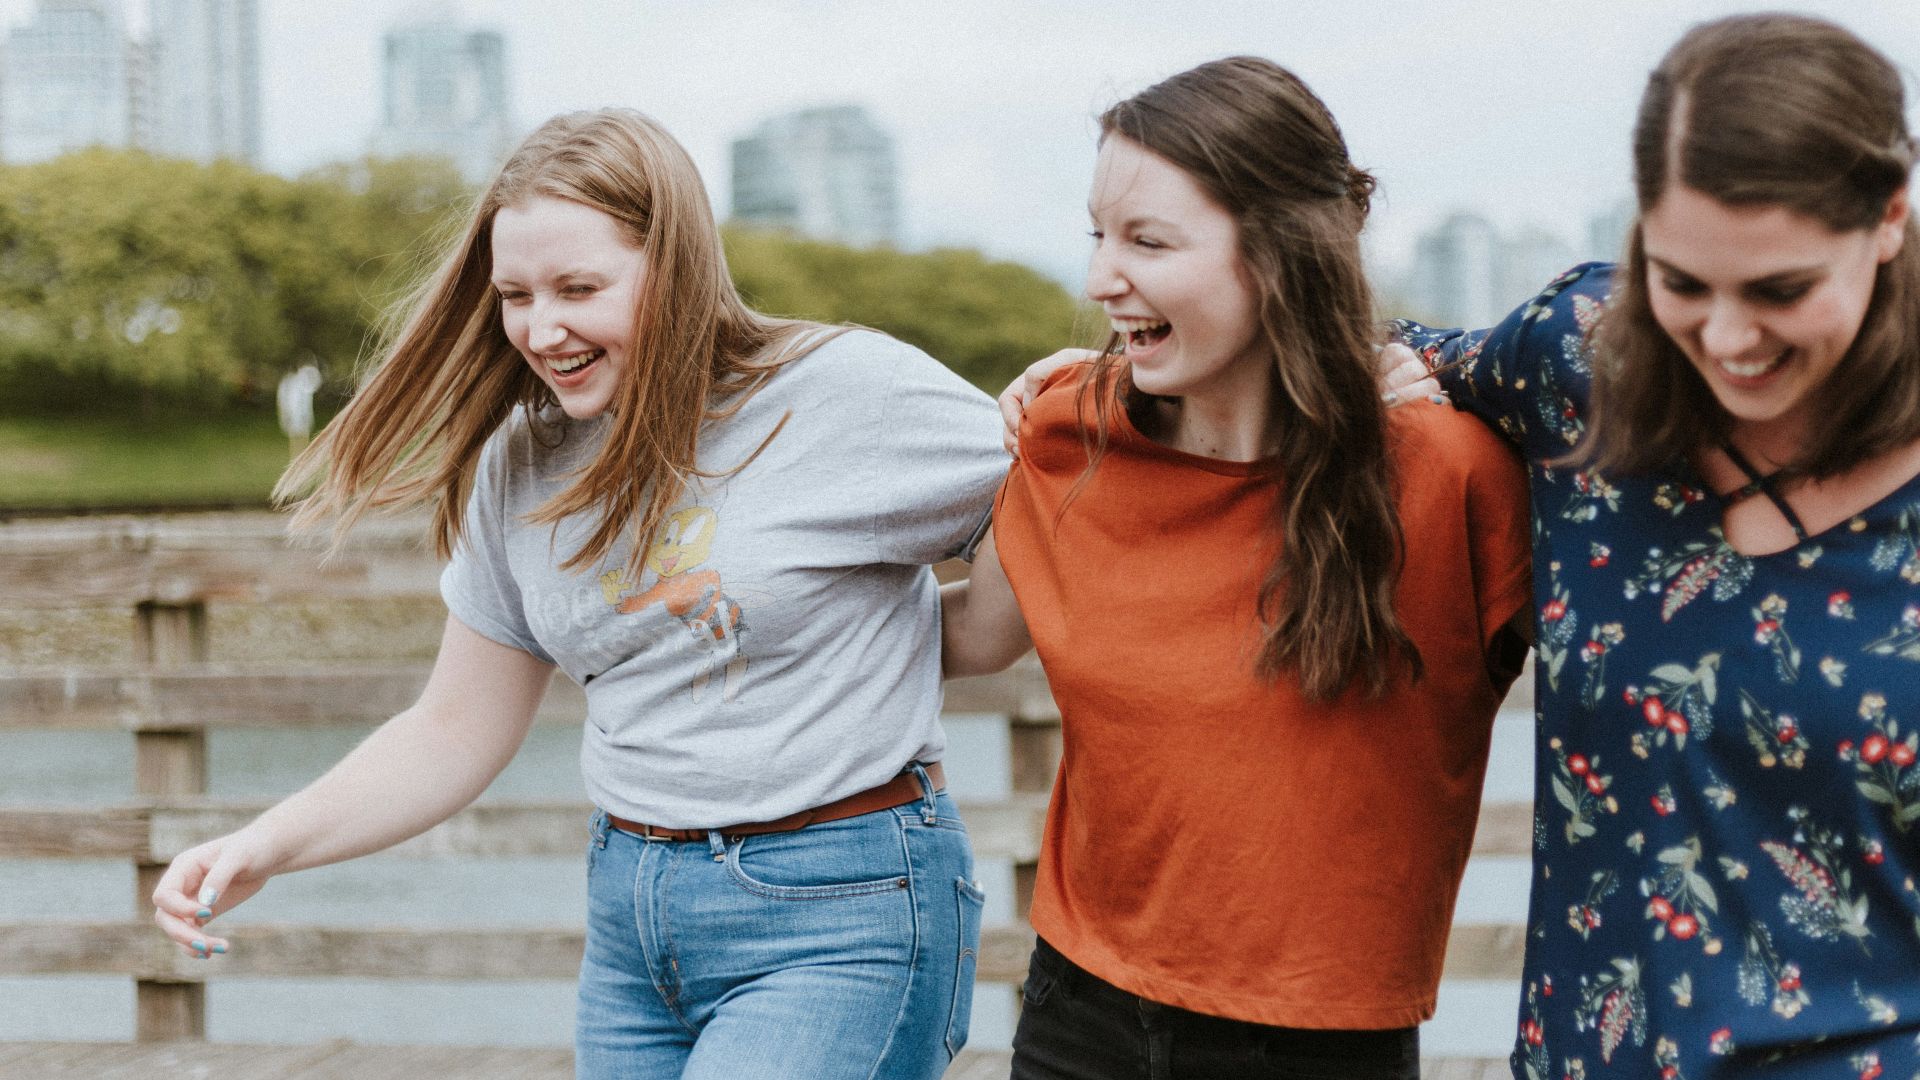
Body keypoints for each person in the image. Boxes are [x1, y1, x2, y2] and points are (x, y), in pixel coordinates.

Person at [148, 109, 1007, 1080]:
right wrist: (265, 846)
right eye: (515, 294)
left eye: (579, 288)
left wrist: (957, 633)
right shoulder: (520, 464)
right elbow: (452, 730)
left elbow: (1051, 507)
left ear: (674, 266)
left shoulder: (843, 394)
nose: (540, 329)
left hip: (841, 911)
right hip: (634, 918)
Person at [941, 57, 1534, 1080]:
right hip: (1074, 1015)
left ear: (1280, 255)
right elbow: (971, 639)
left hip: (1320, 1047)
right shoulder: (1064, 432)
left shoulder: (1453, 475)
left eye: (1148, 242)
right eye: (1098, 234)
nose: (1098, 279)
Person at [1383, 14, 1920, 1077]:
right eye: (1682, 283)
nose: (1727, 338)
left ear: (1891, 220)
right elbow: (1356, 363)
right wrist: (1092, 395)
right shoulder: (1577, 360)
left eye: (1780, 290)